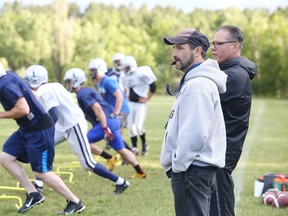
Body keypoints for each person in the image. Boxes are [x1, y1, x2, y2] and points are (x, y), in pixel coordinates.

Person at [24, 64, 129, 195]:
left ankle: (121, 182)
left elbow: (54, 115)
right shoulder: (53, 86)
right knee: (42, 145)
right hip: (63, 125)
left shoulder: (44, 90)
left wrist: (43, 129)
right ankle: (39, 183)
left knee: (87, 164)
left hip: (73, 125)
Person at [0, 62, 85, 214]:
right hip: (27, 128)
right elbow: (32, 95)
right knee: (5, 157)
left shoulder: (5, 85)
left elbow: (23, 109)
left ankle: (75, 202)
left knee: (42, 173)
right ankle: (33, 194)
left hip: (39, 130)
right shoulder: (9, 75)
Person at [160, 28, 227, 216]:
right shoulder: (195, 82)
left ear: (197, 51)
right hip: (194, 170)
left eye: (180, 48)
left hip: (192, 170)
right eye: (174, 48)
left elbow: (195, 135)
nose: (174, 54)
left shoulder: (198, 85)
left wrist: (178, 165)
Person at [63, 68, 147, 179]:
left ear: (75, 81)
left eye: (69, 81)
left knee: (84, 142)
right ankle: (140, 172)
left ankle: (109, 158)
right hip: (112, 120)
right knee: (121, 149)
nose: (68, 84)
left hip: (106, 121)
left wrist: (104, 127)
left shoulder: (82, 94)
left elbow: (98, 108)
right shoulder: (87, 90)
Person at [209, 25, 257, 216]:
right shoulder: (228, 71)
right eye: (212, 43)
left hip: (220, 151)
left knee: (220, 207)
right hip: (218, 149)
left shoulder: (234, 75)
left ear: (235, 46)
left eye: (219, 43)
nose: (213, 48)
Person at [88, 58, 132, 154]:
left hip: (121, 109)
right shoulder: (100, 82)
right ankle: (128, 152)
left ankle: (128, 152)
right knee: (112, 134)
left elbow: (119, 97)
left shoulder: (107, 81)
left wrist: (115, 113)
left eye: (93, 70)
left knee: (114, 134)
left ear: (100, 69)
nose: (92, 73)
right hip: (114, 110)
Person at [122, 56, 157, 156]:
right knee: (130, 128)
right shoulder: (124, 75)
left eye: (127, 67)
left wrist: (147, 98)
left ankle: (144, 144)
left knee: (138, 126)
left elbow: (153, 85)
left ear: (132, 66)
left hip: (140, 104)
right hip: (130, 103)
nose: (125, 69)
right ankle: (134, 148)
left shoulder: (141, 73)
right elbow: (125, 88)